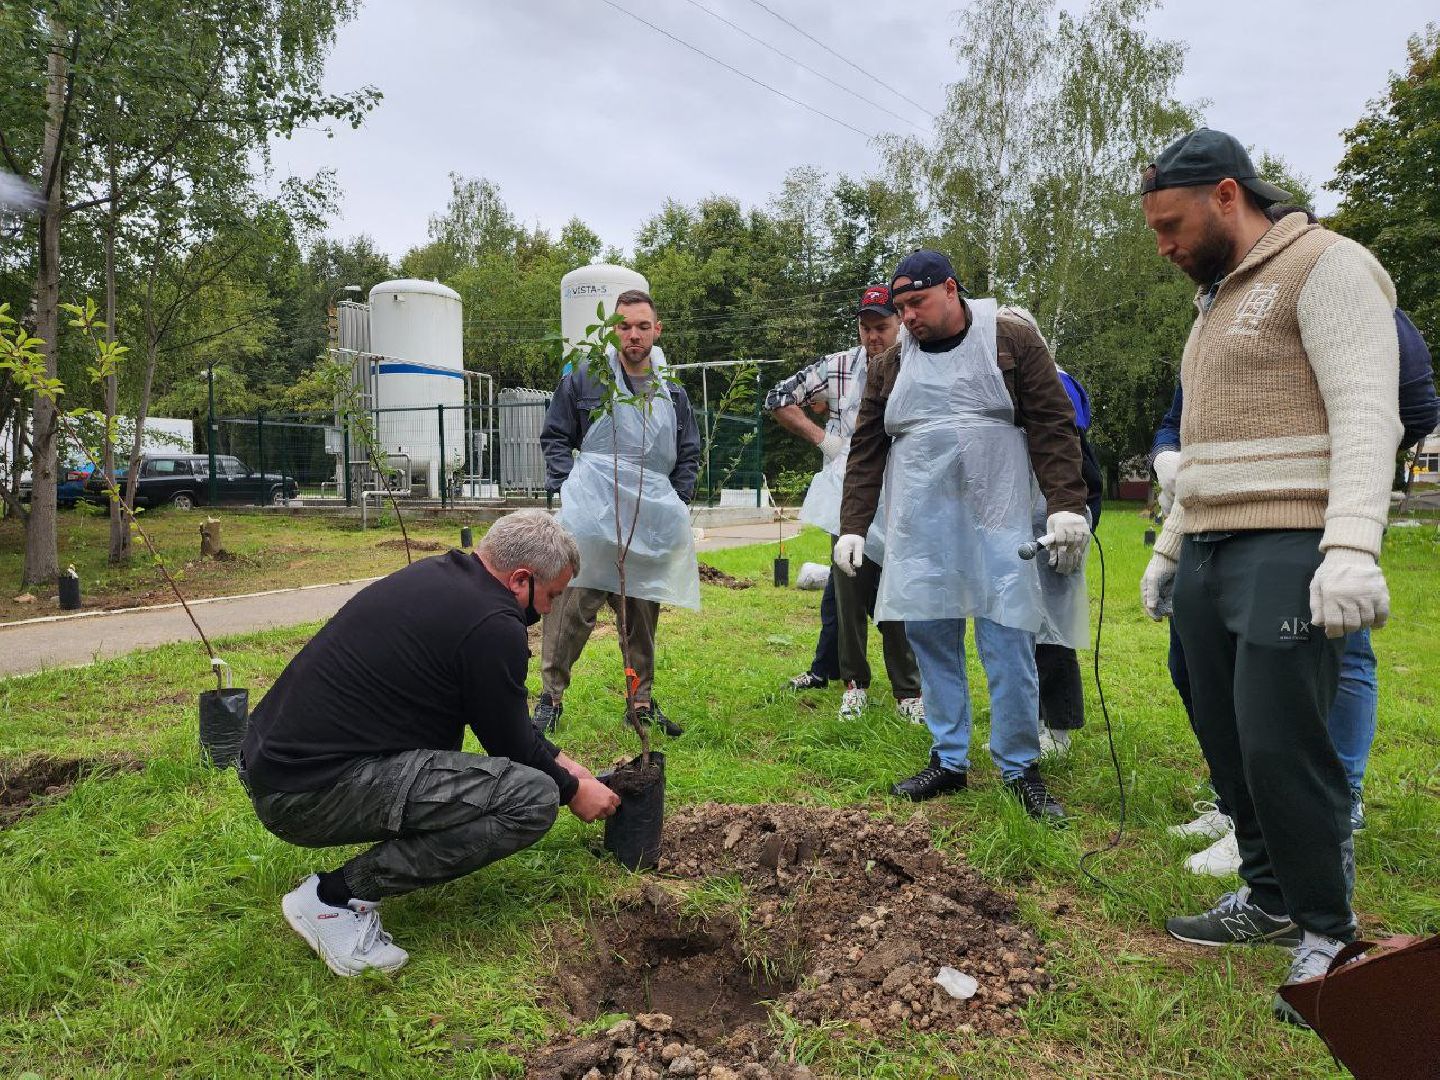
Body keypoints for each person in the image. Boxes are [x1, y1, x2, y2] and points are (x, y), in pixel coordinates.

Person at [1138, 129, 1402, 1024]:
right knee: (1219, 721)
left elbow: (1370, 409)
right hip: (1212, 544)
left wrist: (1352, 545)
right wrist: (1173, 547)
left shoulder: (1327, 266)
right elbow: (1207, 446)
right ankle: (1268, 894)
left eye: (1172, 226)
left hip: (1291, 541)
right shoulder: (1213, 303)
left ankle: (1328, 930)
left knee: (1282, 736)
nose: (1165, 246)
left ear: (1224, 195)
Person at [237, 510, 620, 977]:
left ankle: (337, 893)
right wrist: (570, 789)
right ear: (522, 580)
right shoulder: (494, 625)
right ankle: (332, 899)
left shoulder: (444, 579)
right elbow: (508, 744)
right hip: (303, 793)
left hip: (277, 765)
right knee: (532, 800)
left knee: (517, 777)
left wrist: (563, 762)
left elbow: (504, 722)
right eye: (552, 596)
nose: (549, 611)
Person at [839, 250, 1091, 818]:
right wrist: (853, 526)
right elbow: (868, 448)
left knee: (1008, 640)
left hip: (997, 517)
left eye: (917, 303)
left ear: (952, 290)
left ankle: (1018, 765)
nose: (907, 317)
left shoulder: (1008, 341)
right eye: (899, 307)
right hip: (921, 525)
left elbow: (1053, 424)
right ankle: (949, 757)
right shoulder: (891, 365)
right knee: (931, 639)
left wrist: (1064, 505)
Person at [535, 289, 701, 737]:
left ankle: (640, 701)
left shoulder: (673, 391)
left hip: (645, 524)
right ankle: (550, 699)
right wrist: (570, 488)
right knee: (569, 612)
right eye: (625, 326)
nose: (634, 335)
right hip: (591, 523)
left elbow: (688, 453)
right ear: (613, 331)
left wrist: (676, 504)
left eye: (642, 327)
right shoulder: (584, 380)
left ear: (656, 330)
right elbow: (555, 437)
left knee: (641, 616)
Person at [765, 284, 923, 722]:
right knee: (849, 591)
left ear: (899, 325)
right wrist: (826, 440)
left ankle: (908, 689)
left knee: (897, 593)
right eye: (865, 328)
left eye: (882, 327)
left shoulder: (917, 362)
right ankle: (854, 684)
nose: (873, 337)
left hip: (903, 495)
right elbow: (778, 397)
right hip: (849, 493)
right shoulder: (838, 367)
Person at [1000, 305, 1105, 756]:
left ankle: (1058, 728)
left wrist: (1071, 517)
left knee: (1052, 626)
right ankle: (1027, 719)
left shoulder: (1056, 382)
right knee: (1021, 623)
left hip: (1059, 516)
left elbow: (1064, 448)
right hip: (1024, 516)